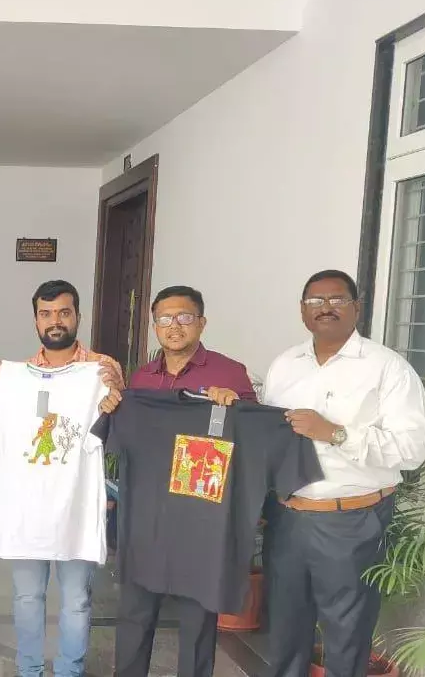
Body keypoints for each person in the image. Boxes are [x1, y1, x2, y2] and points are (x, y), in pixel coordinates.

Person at [264, 270, 425, 677]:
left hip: (351, 520)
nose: (325, 307)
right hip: (287, 517)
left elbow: (412, 449)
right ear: (302, 311)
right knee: (284, 630)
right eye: (315, 301)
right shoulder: (285, 365)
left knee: (346, 634)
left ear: (357, 307)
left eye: (337, 299)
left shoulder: (387, 368)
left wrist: (335, 433)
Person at [111, 285, 257, 677]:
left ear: (201, 322)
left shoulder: (229, 373)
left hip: (201, 519)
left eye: (184, 317)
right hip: (149, 515)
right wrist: (112, 406)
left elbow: (254, 440)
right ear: (154, 326)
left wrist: (236, 406)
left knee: (196, 623)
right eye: (164, 319)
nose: (174, 326)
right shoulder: (141, 378)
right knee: (135, 615)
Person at [1, 279, 122, 677]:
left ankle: (70, 672)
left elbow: (122, 436)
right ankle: (29, 670)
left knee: (76, 600)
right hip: (28, 508)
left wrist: (118, 400)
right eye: (46, 313)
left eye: (63, 312)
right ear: (36, 320)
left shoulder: (102, 370)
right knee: (27, 596)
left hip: (77, 505)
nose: (55, 321)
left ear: (78, 316)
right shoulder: (16, 377)